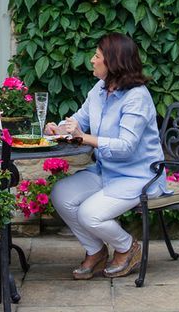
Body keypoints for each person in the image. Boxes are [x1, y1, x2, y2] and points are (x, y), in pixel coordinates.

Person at [45, 33, 165, 280]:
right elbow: (79, 119)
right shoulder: (99, 89)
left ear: (113, 62)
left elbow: (127, 146)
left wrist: (84, 138)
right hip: (106, 170)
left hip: (139, 176)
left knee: (89, 214)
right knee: (61, 194)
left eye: (97, 56)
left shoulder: (137, 97)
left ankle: (127, 247)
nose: (91, 60)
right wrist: (58, 129)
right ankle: (95, 250)